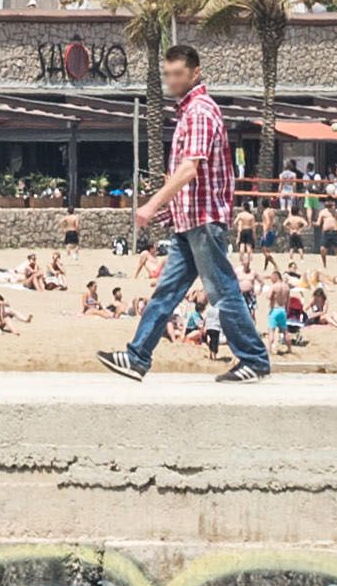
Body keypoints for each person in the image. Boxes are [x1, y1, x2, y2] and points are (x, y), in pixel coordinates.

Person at [98, 41, 268, 383]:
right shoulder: (188, 113)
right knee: (167, 290)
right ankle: (137, 356)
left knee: (222, 290)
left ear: (195, 72)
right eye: (167, 74)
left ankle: (254, 359)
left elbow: (189, 170)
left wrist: (151, 204)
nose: (171, 81)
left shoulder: (200, 112)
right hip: (189, 223)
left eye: (177, 74)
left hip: (204, 222)